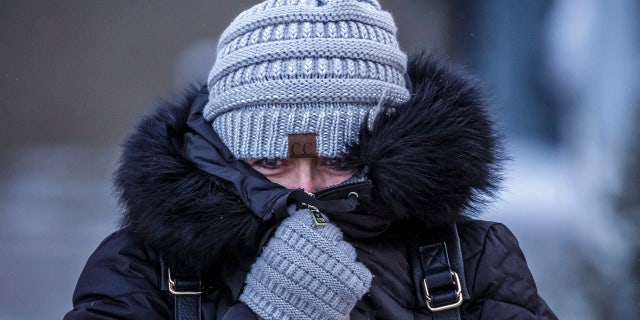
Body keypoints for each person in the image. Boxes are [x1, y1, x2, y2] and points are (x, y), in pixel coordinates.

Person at [65, 0, 557, 319]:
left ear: (392, 149)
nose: (303, 192)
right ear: (223, 154)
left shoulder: (471, 262)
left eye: (337, 161)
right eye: (269, 162)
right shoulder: (144, 269)